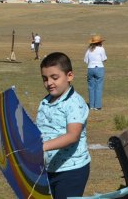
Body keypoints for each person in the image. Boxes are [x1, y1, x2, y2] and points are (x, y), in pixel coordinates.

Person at [37, 52, 91, 199]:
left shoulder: (74, 103)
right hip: (49, 168)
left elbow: (72, 136)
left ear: (69, 76)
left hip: (71, 171)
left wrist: (42, 146)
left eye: (54, 77)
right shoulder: (45, 101)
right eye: (45, 79)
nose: (49, 83)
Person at [84, 34, 107, 110]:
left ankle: (91, 106)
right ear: (100, 42)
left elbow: (86, 60)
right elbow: (104, 59)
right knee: (98, 87)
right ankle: (97, 106)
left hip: (90, 69)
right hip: (99, 68)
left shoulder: (89, 50)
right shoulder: (101, 49)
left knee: (91, 87)